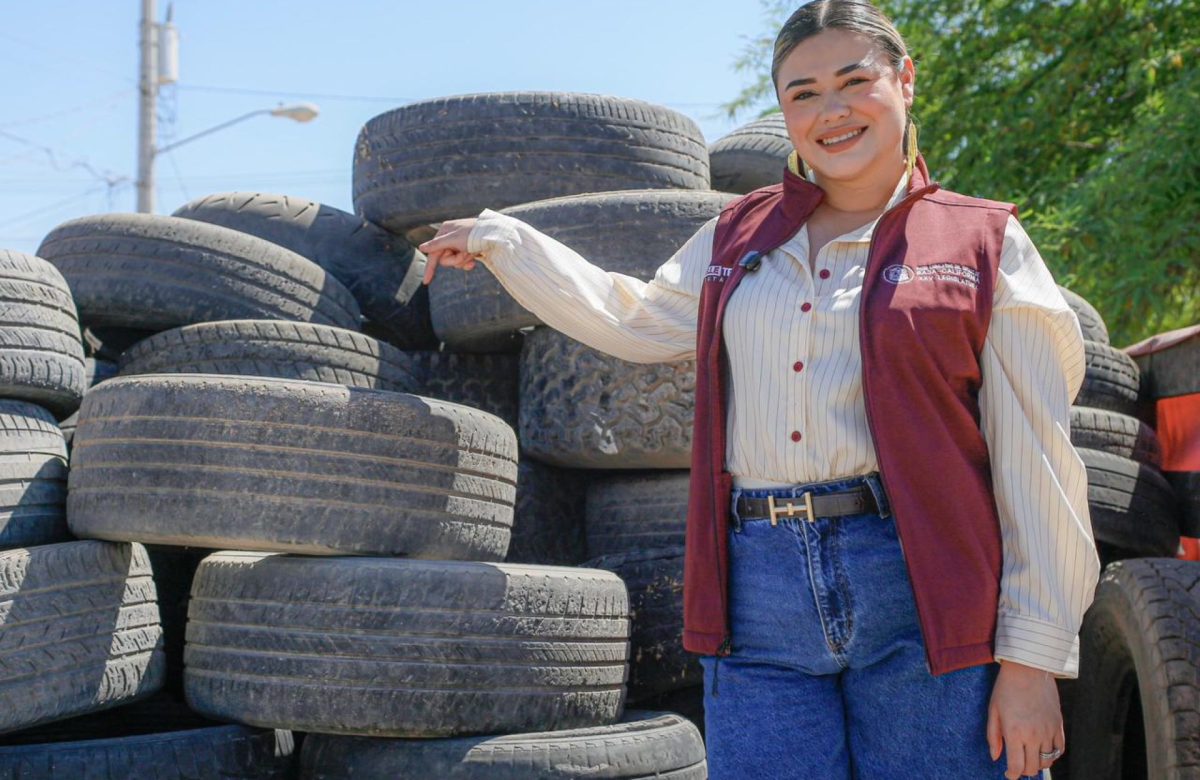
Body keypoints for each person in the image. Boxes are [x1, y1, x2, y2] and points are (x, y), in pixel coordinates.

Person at [420, 2, 1100, 777]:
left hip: (924, 582)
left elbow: (1036, 461)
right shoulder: (738, 235)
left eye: (855, 81)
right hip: (756, 589)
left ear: (905, 81)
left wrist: (1033, 660)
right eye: (803, 93)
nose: (831, 111)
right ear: (783, 111)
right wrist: (504, 241)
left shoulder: (982, 241)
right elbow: (636, 317)